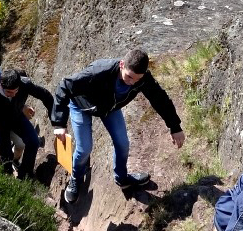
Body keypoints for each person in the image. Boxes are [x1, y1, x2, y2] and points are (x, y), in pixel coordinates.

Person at [52, 48, 185, 204]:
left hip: (109, 108)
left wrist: (175, 127)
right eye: (129, 77)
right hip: (81, 106)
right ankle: (75, 178)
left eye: (137, 79)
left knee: (123, 144)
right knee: (84, 148)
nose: (132, 82)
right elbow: (65, 86)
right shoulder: (99, 71)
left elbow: (160, 99)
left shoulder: (142, 79)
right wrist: (59, 123)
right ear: (122, 64)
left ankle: (122, 178)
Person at [0, 68, 53, 179]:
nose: (14, 95)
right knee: (6, 156)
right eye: (9, 92)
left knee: (33, 142)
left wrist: (56, 120)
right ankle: (7, 176)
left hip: (16, 117)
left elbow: (45, 96)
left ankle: (25, 175)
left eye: (16, 91)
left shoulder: (24, 84)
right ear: (1, 85)